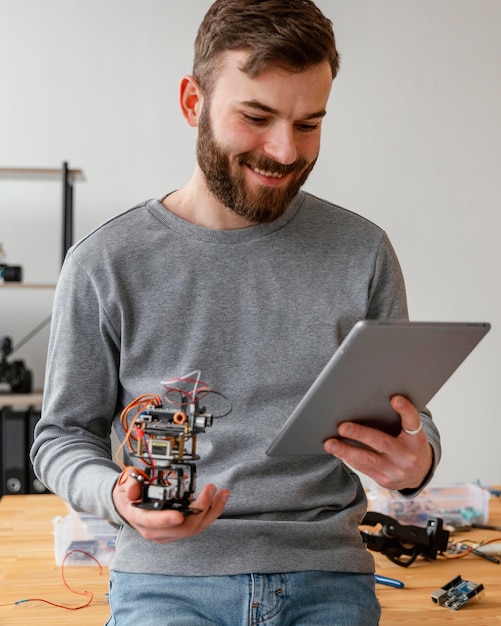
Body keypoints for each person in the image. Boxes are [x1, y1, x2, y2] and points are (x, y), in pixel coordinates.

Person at [31, 1, 441, 624]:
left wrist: (420, 460)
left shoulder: (363, 251)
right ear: (193, 103)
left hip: (325, 573)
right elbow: (61, 438)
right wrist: (117, 496)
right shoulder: (104, 262)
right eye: (257, 117)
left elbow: (408, 420)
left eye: (309, 123)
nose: (284, 151)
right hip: (168, 580)